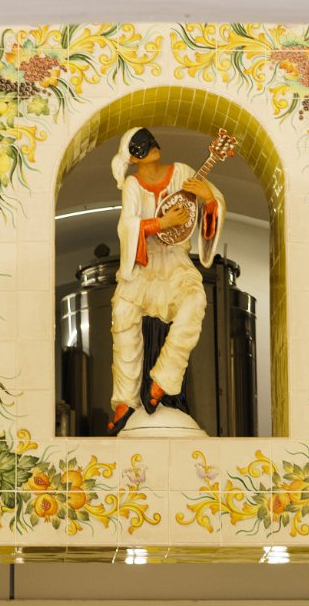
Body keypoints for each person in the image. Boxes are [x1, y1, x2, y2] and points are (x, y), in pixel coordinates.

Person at [107, 127, 225, 435]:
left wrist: (208, 197)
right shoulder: (132, 185)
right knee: (122, 312)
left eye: (151, 140)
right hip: (144, 263)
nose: (151, 146)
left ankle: (165, 379)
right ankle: (125, 399)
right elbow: (127, 226)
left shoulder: (182, 172)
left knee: (195, 300)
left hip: (175, 260)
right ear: (133, 158)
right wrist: (163, 222)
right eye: (141, 145)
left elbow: (212, 203)